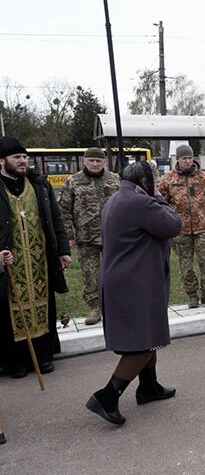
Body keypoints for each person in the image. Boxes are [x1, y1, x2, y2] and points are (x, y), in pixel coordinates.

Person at [86, 162, 182, 425]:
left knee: (147, 335)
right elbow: (174, 225)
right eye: (154, 181)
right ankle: (107, 396)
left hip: (124, 279)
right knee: (140, 343)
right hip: (134, 282)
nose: (157, 185)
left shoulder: (116, 199)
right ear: (144, 180)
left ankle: (148, 386)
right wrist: (159, 197)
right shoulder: (141, 202)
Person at [0, 137, 71, 379]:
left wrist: (63, 250)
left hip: (41, 259)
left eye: (24, 157)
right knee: (9, 310)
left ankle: (42, 356)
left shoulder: (39, 184)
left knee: (44, 304)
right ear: (2, 161)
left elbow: (55, 218)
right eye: (16, 157)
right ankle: (15, 361)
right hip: (9, 262)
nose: (22, 161)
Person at [59, 147, 120, 325]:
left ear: (104, 162)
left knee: (115, 272)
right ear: (84, 161)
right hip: (87, 238)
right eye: (91, 160)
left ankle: (116, 305)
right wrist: (69, 235)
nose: (94, 164)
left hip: (113, 236)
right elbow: (64, 210)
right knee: (90, 274)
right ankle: (95, 307)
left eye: (98, 161)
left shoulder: (114, 179)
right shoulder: (73, 181)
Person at [158, 144, 205, 309]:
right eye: (184, 158)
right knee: (185, 265)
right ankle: (192, 295)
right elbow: (160, 204)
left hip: (203, 227)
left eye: (189, 158)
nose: (187, 161)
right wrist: (167, 226)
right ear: (178, 159)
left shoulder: (203, 178)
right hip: (180, 230)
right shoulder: (168, 179)